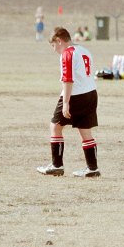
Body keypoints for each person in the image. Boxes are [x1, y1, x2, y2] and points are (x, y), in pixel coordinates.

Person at [37, 27, 100, 178]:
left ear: (59, 41)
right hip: (91, 93)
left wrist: (66, 103)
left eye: (53, 45)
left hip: (75, 95)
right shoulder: (84, 50)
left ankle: (56, 166)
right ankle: (92, 168)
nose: (54, 50)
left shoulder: (67, 54)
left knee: (55, 126)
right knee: (85, 130)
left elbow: (68, 79)